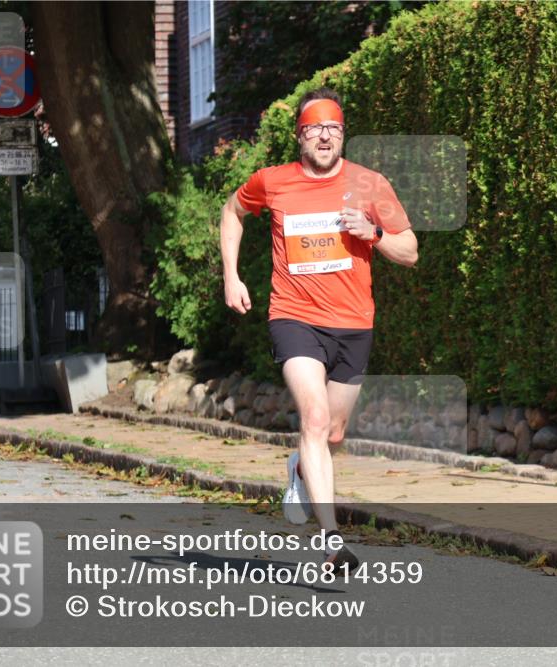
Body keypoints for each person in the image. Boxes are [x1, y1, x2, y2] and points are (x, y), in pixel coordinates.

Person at [220, 87, 418, 573]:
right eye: (315, 128)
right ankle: (332, 543)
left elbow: (410, 251)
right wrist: (231, 276)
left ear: (343, 134)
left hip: (353, 323)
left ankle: (299, 467)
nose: (325, 136)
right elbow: (232, 212)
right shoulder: (273, 182)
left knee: (332, 430)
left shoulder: (369, 184)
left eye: (334, 128)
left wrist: (374, 234)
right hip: (294, 317)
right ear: (300, 136)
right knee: (313, 417)